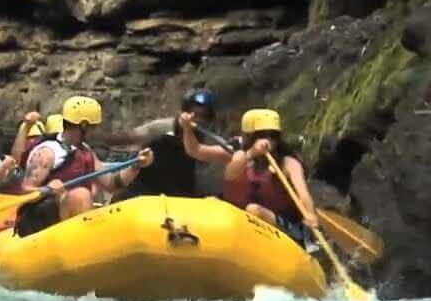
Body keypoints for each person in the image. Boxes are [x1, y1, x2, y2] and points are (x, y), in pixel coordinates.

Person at [0, 95, 153, 234]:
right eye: (94, 127)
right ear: (83, 125)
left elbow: (112, 184)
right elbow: (22, 191)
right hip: (39, 223)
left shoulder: (86, 152)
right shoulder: (47, 152)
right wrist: (46, 190)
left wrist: (136, 165)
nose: (96, 131)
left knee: (112, 197)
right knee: (81, 195)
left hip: (69, 221)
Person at [222, 109, 318, 247]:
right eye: (261, 136)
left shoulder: (288, 163)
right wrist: (252, 153)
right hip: (251, 225)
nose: (267, 141)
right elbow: (230, 176)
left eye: (272, 136)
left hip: (287, 227)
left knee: (253, 210)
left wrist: (310, 214)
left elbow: (303, 193)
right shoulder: (243, 158)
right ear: (251, 138)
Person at [113, 88, 222, 200]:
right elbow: (129, 138)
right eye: (192, 114)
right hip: (145, 194)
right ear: (182, 112)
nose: (196, 120)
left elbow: (206, 183)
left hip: (181, 199)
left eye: (203, 116)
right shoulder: (161, 128)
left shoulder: (210, 145)